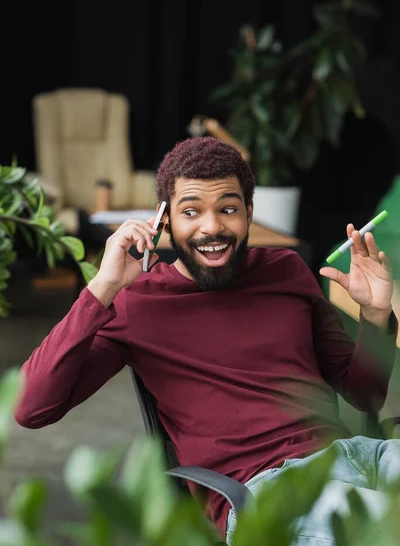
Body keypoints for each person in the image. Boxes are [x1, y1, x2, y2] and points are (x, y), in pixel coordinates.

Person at [14, 137, 399, 545]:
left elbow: (365, 395)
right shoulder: (135, 303)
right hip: (271, 493)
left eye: (228, 209)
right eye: (191, 211)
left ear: (249, 212)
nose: (212, 226)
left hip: (359, 456)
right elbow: (29, 407)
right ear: (165, 222)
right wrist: (102, 288)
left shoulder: (286, 270)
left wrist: (374, 316)